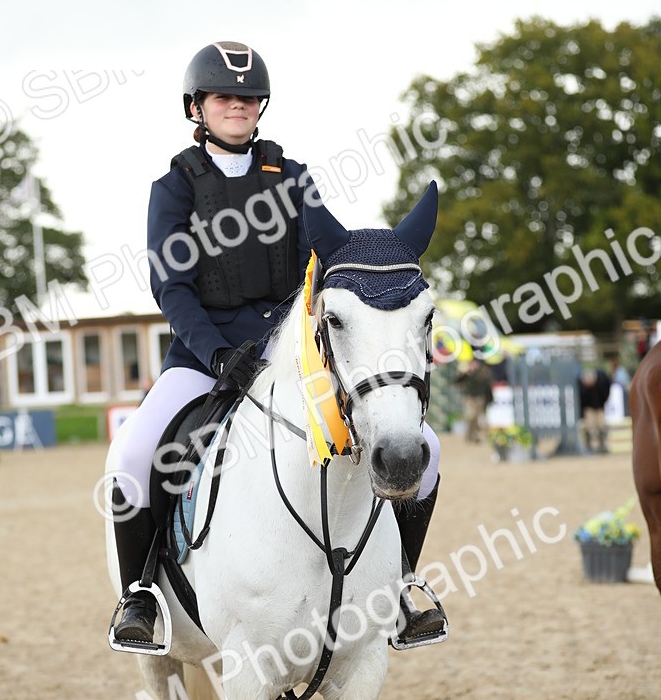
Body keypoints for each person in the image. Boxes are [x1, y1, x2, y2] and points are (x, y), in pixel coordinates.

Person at [108, 41, 444, 647]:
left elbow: (317, 271)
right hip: (203, 359)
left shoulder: (294, 179)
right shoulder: (175, 188)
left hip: (288, 359)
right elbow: (172, 288)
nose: (236, 106)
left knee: (424, 447)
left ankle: (400, 585)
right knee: (137, 458)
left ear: (261, 106)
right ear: (197, 106)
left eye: (247, 97)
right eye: (223, 97)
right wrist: (215, 354)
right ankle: (141, 597)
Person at [455, 356, 494, 443]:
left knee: (480, 418)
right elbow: (457, 382)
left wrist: (490, 399)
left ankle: (479, 436)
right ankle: (470, 436)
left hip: (480, 398)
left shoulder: (483, 371)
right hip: (470, 398)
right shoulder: (466, 372)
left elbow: (486, 385)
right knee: (471, 417)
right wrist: (464, 374)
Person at [577, 365, 612, 453]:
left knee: (602, 425)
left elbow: (606, 392)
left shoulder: (602, 381)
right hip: (588, 407)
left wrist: (604, 401)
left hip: (600, 406)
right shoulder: (582, 387)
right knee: (588, 426)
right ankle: (589, 446)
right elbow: (581, 401)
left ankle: (602, 445)